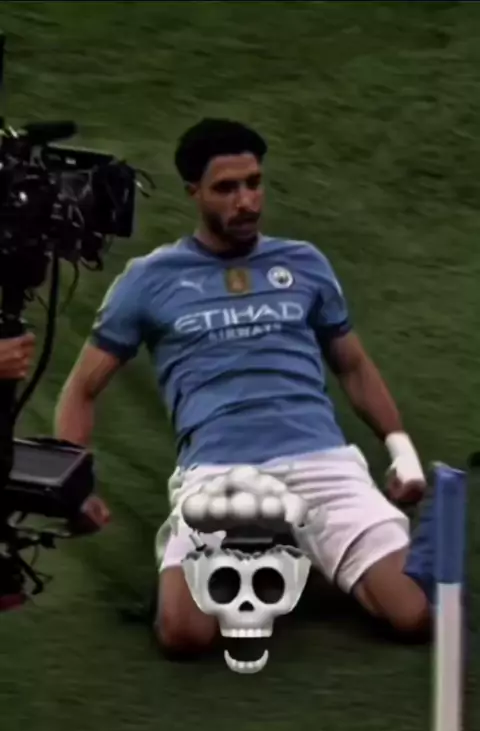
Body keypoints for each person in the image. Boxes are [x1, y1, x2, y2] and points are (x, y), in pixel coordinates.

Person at [54, 118, 435, 658]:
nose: (247, 201)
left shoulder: (304, 263)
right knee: (184, 635)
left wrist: (401, 451)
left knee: (413, 614)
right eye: (227, 188)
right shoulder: (149, 280)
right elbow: (81, 389)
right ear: (194, 191)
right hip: (219, 473)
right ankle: (267, 549)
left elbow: (352, 365)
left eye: (254, 183)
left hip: (322, 463)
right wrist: (72, 489)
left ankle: (297, 547)